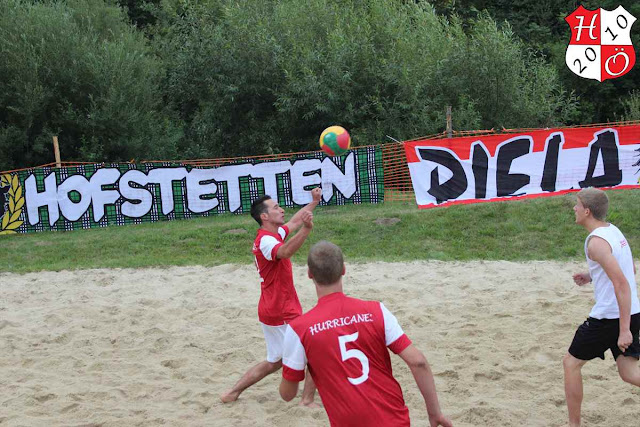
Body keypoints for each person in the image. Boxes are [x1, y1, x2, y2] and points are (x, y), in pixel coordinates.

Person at [279, 240, 453, 427]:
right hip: (394, 419)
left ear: (309, 274)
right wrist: (434, 413)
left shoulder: (299, 328)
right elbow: (418, 362)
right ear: (344, 269)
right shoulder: (376, 310)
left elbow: (288, 394)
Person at [220, 187, 322, 405]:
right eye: (276, 207)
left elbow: (294, 222)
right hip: (281, 309)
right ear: (264, 216)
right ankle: (307, 399)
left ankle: (233, 392)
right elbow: (284, 252)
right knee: (316, 350)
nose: (282, 209)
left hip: (272, 308)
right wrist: (306, 230)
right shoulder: (266, 241)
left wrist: (313, 203)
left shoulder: (273, 234)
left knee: (274, 362)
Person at [563, 187, 640, 427]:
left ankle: (574, 425)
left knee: (571, 363)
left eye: (576, 205)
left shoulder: (596, 243)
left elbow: (622, 283)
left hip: (611, 317)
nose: (574, 209)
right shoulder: (613, 231)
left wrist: (624, 329)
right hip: (632, 310)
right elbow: (630, 270)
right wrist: (592, 275)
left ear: (587, 211)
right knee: (629, 373)